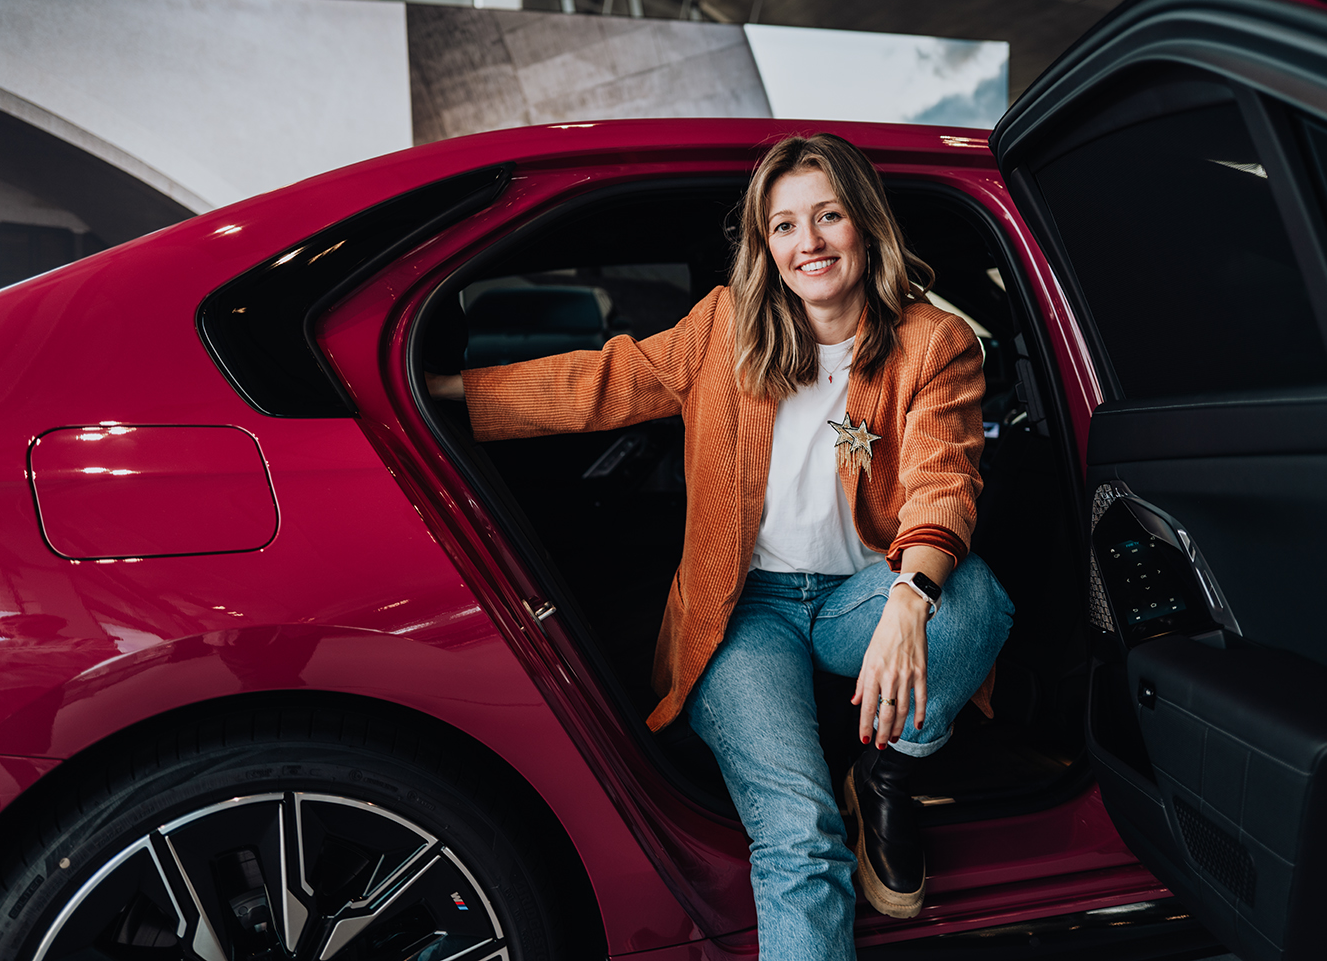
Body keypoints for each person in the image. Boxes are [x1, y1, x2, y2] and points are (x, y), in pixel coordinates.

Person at [428, 133, 1013, 960]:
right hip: (746, 612)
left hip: (865, 596)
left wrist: (910, 604)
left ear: (866, 224)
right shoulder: (726, 327)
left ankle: (887, 771)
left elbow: (943, 480)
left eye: (828, 216)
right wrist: (441, 394)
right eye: (783, 227)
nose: (807, 243)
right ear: (765, 246)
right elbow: (606, 381)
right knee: (799, 833)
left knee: (976, 601)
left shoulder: (931, 342)